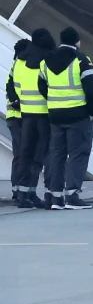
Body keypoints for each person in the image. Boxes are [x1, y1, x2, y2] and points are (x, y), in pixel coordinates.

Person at [39, 27, 93, 210]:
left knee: (56, 154)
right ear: (77, 42)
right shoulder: (82, 61)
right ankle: (72, 196)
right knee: (78, 153)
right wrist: (92, 110)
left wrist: (54, 102)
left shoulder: (46, 61)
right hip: (78, 115)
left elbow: (41, 86)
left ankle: (56, 197)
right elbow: (92, 89)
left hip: (55, 115)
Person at [11, 31, 53, 209]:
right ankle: (33, 192)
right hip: (43, 113)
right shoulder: (47, 60)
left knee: (25, 155)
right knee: (40, 155)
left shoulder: (19, 61)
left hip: (25, 114)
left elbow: (11, 84)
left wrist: (18, 102)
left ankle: (22, 195)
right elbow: (48, 86)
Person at [5, 38, 29, 204]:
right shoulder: (23, 66)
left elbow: (10, 89)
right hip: (21, 116)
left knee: (18, 155)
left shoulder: (14, 67)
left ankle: (17, 189)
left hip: (13, 117)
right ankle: (21, 190)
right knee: (23, 155)